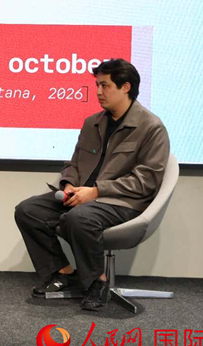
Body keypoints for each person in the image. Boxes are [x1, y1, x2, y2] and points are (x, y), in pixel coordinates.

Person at [14, 59, 169, 311]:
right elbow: (74, 163)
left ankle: (98, 282)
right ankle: (63, 273)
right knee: (28, 211)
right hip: (82, 197)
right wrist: (68, 184)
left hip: (122, 202)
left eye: (105, 85)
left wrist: (97, 191)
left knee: (79, 218)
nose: (98, 92)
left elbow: (147, 181)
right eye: (97, 85)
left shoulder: (151, 127)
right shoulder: (92, 123)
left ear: (126, 87)